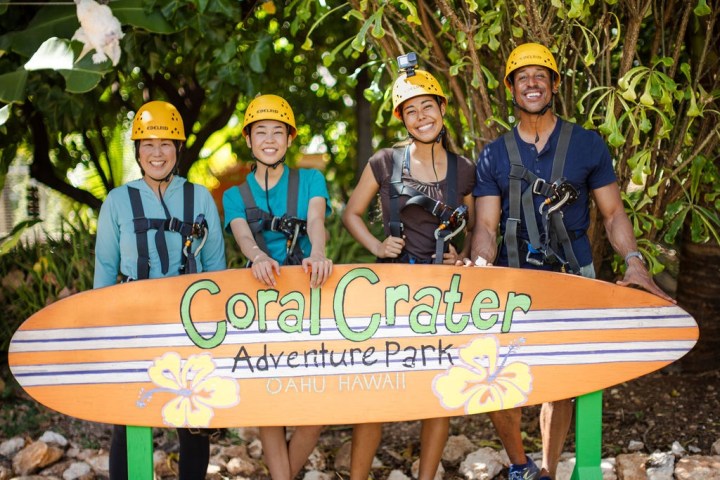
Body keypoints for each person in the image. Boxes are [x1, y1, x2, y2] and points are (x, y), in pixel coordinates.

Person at [470, 42, 674, 480]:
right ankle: (520, 466)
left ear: (554, 85)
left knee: (561, 382)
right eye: (522, 76)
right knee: (492, 373)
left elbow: (614, 212)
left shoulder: (587, 145)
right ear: (511, 87)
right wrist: (481, 266)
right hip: (512, 277)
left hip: (571, 275)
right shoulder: (492, 154)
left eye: (541, 75)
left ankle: (546, 468)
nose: (532, 83)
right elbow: (485, 227)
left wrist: (634, 259)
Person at [342, 53, 476, 480]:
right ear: (403, 119)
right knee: (375, 390)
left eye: (427, 107)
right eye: (411, 111)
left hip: (441, 292)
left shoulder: (464, 170)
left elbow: (475, 228)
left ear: (442, 110)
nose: (421, 117)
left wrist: (463, 254)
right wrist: (378, 246)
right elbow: (351, 214)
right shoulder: (385, 162)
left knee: (439, 388)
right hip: (392, 289)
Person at [94, 100, 226, 479]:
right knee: (130, 416)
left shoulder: (198, 197)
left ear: (179, 149)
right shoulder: (118, 201)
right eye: (148, 144)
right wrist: (103, 330)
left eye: (166, 143)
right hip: (133, 319)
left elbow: (215, 266)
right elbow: (105, 269)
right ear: (137, 150)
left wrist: (214, 330)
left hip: (189, 319)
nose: (157, 152)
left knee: (193, 415)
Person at [222, 94, 332, 480]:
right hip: (262, 298)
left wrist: (317, 253)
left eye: (278, 132)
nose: (270, 139)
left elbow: (316, 219)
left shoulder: (311, 180)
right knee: (270, 399)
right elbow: (242, 236)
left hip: (307, 296)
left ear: (289, 139)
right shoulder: (235, 196)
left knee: (315, 406)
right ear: (249, 140)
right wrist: (258, 257)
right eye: (261, 132)